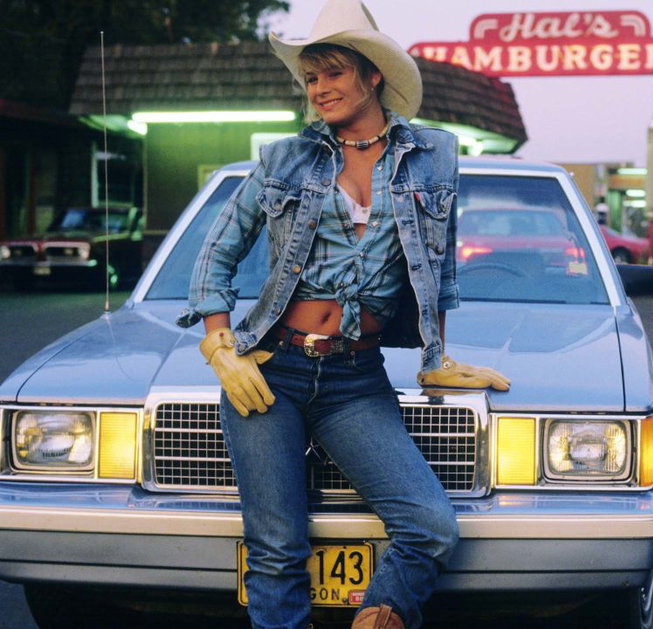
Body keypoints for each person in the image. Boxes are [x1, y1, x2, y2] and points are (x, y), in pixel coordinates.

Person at [175, 1, 509, 627]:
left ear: (372, 74)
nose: (319, 89)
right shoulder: (285, 158)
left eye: (333, 73)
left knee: (430, 525)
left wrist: (435, 358)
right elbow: (217, 251)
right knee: (276, 550)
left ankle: (379, 614)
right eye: (310, 78)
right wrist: (220, 345)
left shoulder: (435, 155)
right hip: (269, 371)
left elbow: (438, 267)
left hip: (356, 380)